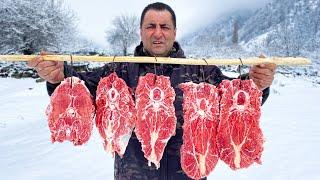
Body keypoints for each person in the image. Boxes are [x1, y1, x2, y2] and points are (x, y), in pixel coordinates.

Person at [28, 2, 276, 179]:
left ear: (175, 32)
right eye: (151, 26)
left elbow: (235, 97)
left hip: (188, 171)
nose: (158, 33)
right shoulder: (120, 70)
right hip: (133, 175)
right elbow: (80, 87)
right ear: (141, 31)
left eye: (165, 26)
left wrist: (257, 83)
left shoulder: (201, 72)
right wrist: (59, 77)